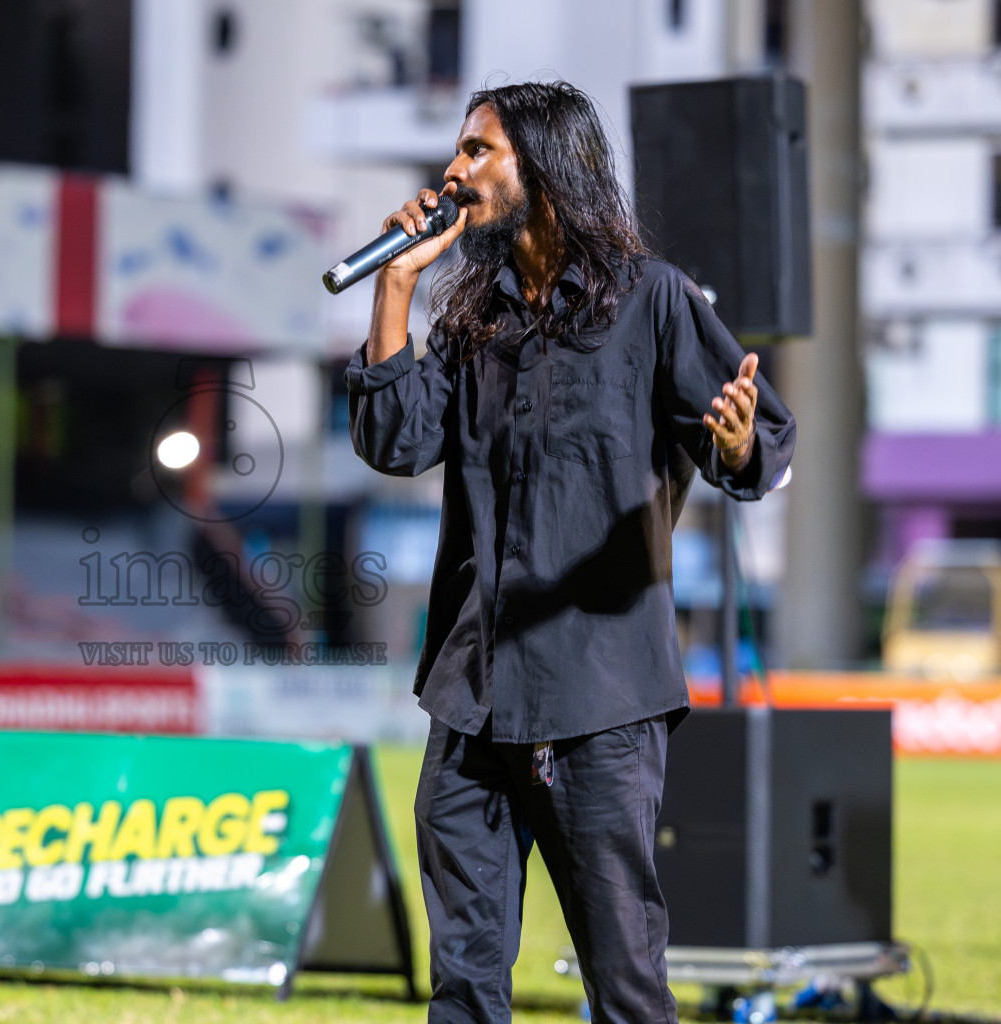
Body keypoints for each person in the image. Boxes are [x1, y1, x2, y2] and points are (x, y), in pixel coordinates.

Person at [344, 81, 796, 1024]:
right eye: (458, 152)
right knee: (465, 985)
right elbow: (394, 440)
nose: (454, 171)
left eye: (478, 152)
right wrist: (397, 284)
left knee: (624, 985)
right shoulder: (478, 322)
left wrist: (739, 440)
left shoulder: (655, 303)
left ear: (544, 165)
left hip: (598, 703)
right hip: (470, 699)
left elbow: (764, 449)